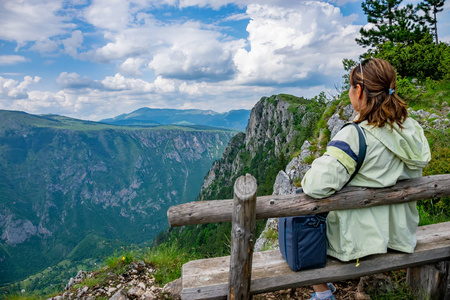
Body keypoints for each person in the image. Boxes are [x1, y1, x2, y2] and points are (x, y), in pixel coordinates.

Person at [300, 58, 431, 300]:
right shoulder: (410, 129)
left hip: (360, 242)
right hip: (400, 234)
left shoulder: (355, 135)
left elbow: (314, 185)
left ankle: (323, 295)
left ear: (358, 91)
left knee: (297, 226)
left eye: (350, 87)